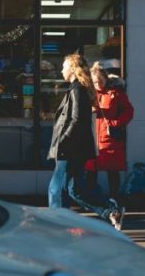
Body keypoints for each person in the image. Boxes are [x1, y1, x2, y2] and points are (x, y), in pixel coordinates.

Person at [47, 53, 123, 229]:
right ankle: (110, 210)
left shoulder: (77, 89)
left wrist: (63, 140)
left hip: (70, 148)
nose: (61, 70)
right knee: (74, 189)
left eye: (64, 66)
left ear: (73, 69)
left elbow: (76, 120)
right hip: (75, 148)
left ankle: (57, 223)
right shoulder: (78, 89)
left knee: (56, 188)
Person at [86, 63, 134, 204]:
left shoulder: (116, 94)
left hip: (109, 137)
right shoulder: (89, 94)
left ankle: (114, 199)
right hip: (91, 136)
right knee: (90, 170)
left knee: (112, 170)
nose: (98, 84)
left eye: (101, 80)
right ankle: (91, 200)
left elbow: (129, 111)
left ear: (106, 79)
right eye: (95, 82)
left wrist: (115, 123)